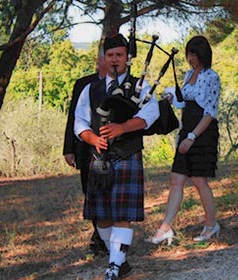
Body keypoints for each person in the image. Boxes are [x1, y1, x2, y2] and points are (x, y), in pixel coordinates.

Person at [74, 33, 160, 280]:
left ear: (127, 58)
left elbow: (149, 115)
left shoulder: (140, 86)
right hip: (99, 157)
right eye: (110, 55)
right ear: (104, 58)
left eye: (119, 55)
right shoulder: (91, 89)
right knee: (101, 216)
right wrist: (91, 138)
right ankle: (120, 260)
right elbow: (79, 121)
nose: (114, 60)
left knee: (122, 215)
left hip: (127, 153)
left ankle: (113, 265)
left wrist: (122, 128)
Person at [145, 36, 221, 245]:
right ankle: (165, 228)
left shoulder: (211, 77)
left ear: (203, 54)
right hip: (186, 127)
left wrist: (192, 136)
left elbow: (209, 112)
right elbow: (185, 101)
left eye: (194, 54)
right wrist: (171, 98)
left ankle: (211, 225)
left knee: (199, 180)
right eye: (189, 54)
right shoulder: (188, 74)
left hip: (202, 132)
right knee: (176, 178)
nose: (191, 58)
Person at [63, 49, 108, 255]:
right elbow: (74, 118)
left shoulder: (122, 85)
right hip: (84, 149)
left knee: (107, 193)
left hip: (110, 150)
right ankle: (98, 234)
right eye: (106, 58)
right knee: (89, 193)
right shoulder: (84, 84)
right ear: (100, 61)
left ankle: (103, 239)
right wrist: (68, 148)